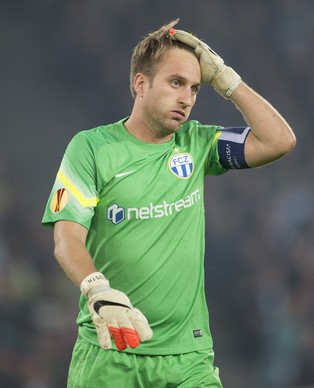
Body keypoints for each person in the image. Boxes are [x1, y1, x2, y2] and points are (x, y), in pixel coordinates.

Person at [41, 19, 296, 387]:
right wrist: (96, 289)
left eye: (194, 88)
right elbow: (66, 239)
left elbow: (279, 141)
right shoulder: (92, 149)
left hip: (188, 360)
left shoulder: (197, 144)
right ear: (140, 84)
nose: (187, 98)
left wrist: (226, 79)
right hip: (111, 354)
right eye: (176, 83)